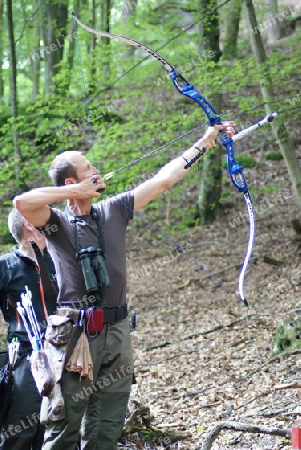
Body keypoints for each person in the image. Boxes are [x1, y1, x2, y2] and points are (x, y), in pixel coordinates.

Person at [13, 122, 235, 450]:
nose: (97, 169)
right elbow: (22, 203)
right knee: (63, 426)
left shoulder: (114, 210)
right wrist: (74, 194)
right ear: (72, 180)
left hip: (116, 332)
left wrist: (205, 143)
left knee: (106, 427)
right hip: (75, 337)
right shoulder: (56, 224)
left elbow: (165, 179)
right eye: (88, 167)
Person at [0, 208, 57, 450]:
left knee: (60, 425)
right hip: (25, 354)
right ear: (28, 226)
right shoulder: (5, 266)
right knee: (22, 423)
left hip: (67, 351)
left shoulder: (59, 257)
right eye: (41, 219)